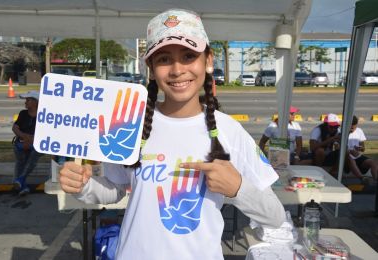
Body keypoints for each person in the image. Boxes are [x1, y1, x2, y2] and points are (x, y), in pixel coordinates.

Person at [59, 9, 285, 259]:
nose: (177, 70)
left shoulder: (229, 130)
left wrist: (237, 188)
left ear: (208, 61)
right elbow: (115, 190)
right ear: (151, 67)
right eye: (164, 59)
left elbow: (275, 216)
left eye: (189, 56)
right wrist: (82, 186)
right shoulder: (130, 125)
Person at [12, 90, 42, 195]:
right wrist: (24, 137)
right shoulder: (23, 113)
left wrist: (31, 141)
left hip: (35, 144)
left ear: (35, 102)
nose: (25, 102)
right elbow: (15, 128)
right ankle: (21, 185)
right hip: (21, 143)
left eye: (28, 100)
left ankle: (20, 182)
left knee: (34, 155)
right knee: (21, 161)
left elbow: (44, 133)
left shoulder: (43, 115)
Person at [347, 115, 377, 180]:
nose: (352, 129)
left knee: (373, 163)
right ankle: (362, 178)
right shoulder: (341, 131)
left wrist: (359, 148)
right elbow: (337, 148)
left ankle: (376, 180)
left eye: (354, 128)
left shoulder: (359, 131)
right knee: (350, 159)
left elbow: (363, 148)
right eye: (351, 128)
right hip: (347, 157)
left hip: (357, 156)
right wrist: (350, 151)